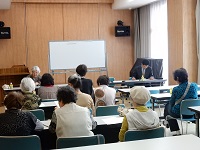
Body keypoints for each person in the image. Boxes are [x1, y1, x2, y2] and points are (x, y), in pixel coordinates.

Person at [164, 68, 198, 135]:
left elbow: (171, 102)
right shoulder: (194, 86)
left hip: (179, 113)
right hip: (193, 112)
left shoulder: (176, 89)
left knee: (167, 106)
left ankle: (175, 130)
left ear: (177, 78)